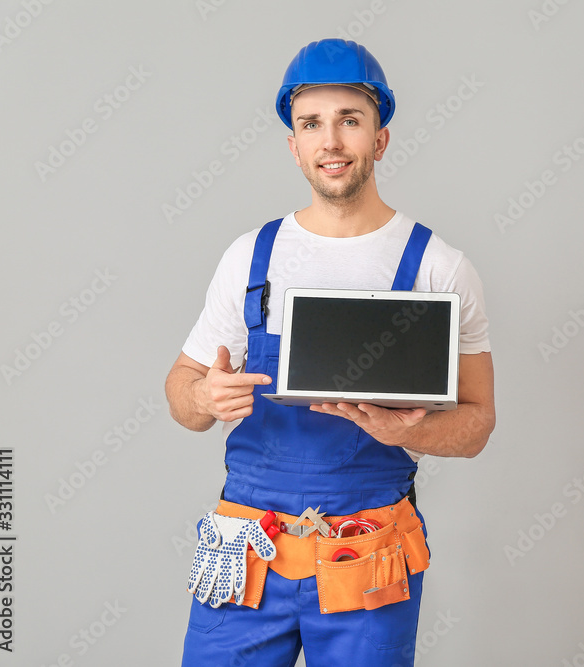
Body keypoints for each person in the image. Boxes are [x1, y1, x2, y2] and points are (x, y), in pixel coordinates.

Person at [164, 38, 495, 667]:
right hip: (244, 548)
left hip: (367, 553)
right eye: (312, 124)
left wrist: (407, 433)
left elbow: (477, 424)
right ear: (294, 144)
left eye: (350, 120)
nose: (331, 141)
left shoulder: (438, 268)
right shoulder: (248, 257)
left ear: (380, 137)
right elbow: (181, 393)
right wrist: (204, 396)